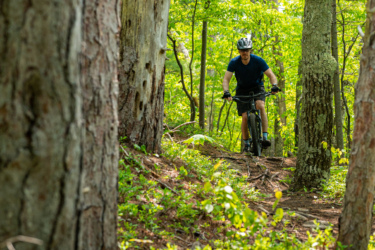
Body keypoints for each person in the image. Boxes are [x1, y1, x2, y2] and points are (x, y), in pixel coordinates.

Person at [222, 37, 280, 152]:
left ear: (250, 50)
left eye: (247, 50)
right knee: (244, 117)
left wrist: (274, 85)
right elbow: (226, 79)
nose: (245, 52)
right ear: (239, 51)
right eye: (242, 50)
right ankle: (247, 144)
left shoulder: (258, 60)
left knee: (261, 106)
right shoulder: (234, 62)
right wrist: (226, 92)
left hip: (257, 88)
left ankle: (264, 137)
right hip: (242, 90)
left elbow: (271, 75)